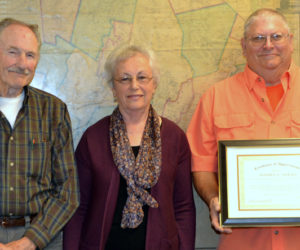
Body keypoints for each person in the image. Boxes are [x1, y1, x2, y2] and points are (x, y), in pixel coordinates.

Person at [187, 8, 300, 250]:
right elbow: (202, 166)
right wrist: (213, 198)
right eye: (258, 38)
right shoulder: (215, 98)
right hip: (242, 242)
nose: (268, 45)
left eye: (276, 37)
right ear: (243, 45)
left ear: (291, 41)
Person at [63, 44, 196, 250]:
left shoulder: (174, 138)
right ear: (113, 88)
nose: (134, 85)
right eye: (124, 79)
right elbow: (78, 208)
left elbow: (183, 207)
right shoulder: (93, 139)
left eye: (142, 77)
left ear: (154, 84)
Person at [0, 18, 79, 249]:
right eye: (13, 52)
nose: (23, 64)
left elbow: (67, 190)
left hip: (41, 236)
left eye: (30, 55)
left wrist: (29, 242)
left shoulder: (53, 111)